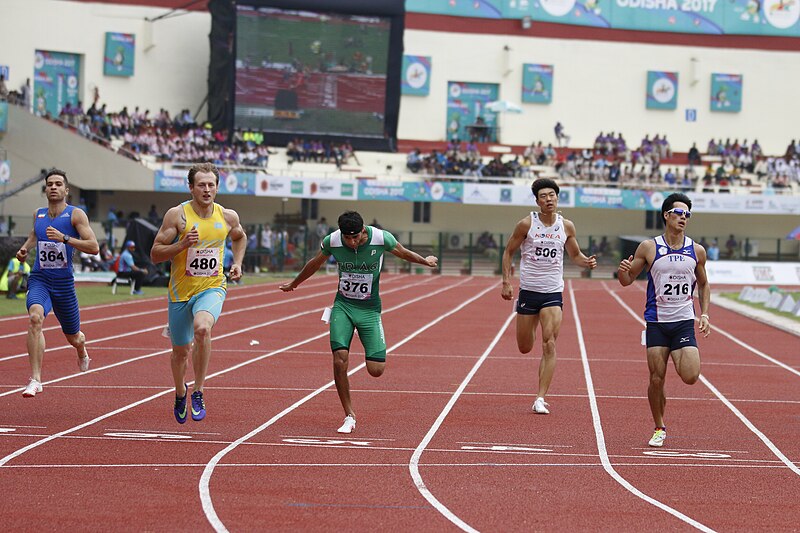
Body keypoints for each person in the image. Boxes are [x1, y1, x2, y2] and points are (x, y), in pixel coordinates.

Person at [280, 211, 437, 434]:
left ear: (363, 231)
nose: (352, 242)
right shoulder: (333, 241)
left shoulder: (381, 238)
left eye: (355, 237)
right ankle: (349, 414)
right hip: (343, 306)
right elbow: (315, 263)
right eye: (347, 238)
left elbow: (402, 253)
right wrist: (294, 283)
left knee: (376, 369)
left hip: (369, 310)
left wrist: (425, 260)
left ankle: (366, 336)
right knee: (339, 359)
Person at [150, 162, 246, 424]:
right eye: (201, 185)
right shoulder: (177, 216)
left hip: (212, 286)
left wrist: (236, 263)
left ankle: (199, 390)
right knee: (180, 351)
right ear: (191, 187)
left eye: (211, 185)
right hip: (180, 292)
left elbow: (239, 237)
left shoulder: (227, 216)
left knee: (203, 329)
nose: (206, 189)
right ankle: (180, 390)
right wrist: (181, 245)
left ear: (217, 188)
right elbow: (155, 254)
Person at [617, 192, 711, 448]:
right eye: (679, 213)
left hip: (682, 321)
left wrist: (704, 313)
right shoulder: (649, 247)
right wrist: (623, 272)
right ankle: (659, 427)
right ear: (666, 215)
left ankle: (661, 420)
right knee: (656, 378)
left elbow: (703, 284)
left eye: (687, 214)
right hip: (656, 322)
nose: (683, 218)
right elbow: (627, 281)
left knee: (691, 375)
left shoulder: (697, 250)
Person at [501, 178, 597, 415]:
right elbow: (508, 251)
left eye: (552, 195)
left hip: (553, 291)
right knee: (525, 346)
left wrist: (585, 262)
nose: (548, 199)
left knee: (550, 343)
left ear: (557, 197)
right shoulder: (526, 224)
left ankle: (540, 398)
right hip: (528, 291)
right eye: (543, 196)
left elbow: (574, 255)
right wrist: (506, 281)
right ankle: (530, 323)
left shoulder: (566, 226)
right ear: (537, 201)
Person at [15, 169, 99, 397]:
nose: (53, 187)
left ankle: (81, 349)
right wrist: (25, 249)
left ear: (66, 190)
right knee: (35, 318)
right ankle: (35, 379)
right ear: (45, 189)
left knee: (73, 336)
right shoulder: (38, 214)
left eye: (58, 184)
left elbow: (93, 247)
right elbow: (34, 236)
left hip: (63, 284)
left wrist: (65, 238)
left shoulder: (75, 215)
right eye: (50, 184)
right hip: (40, 278)